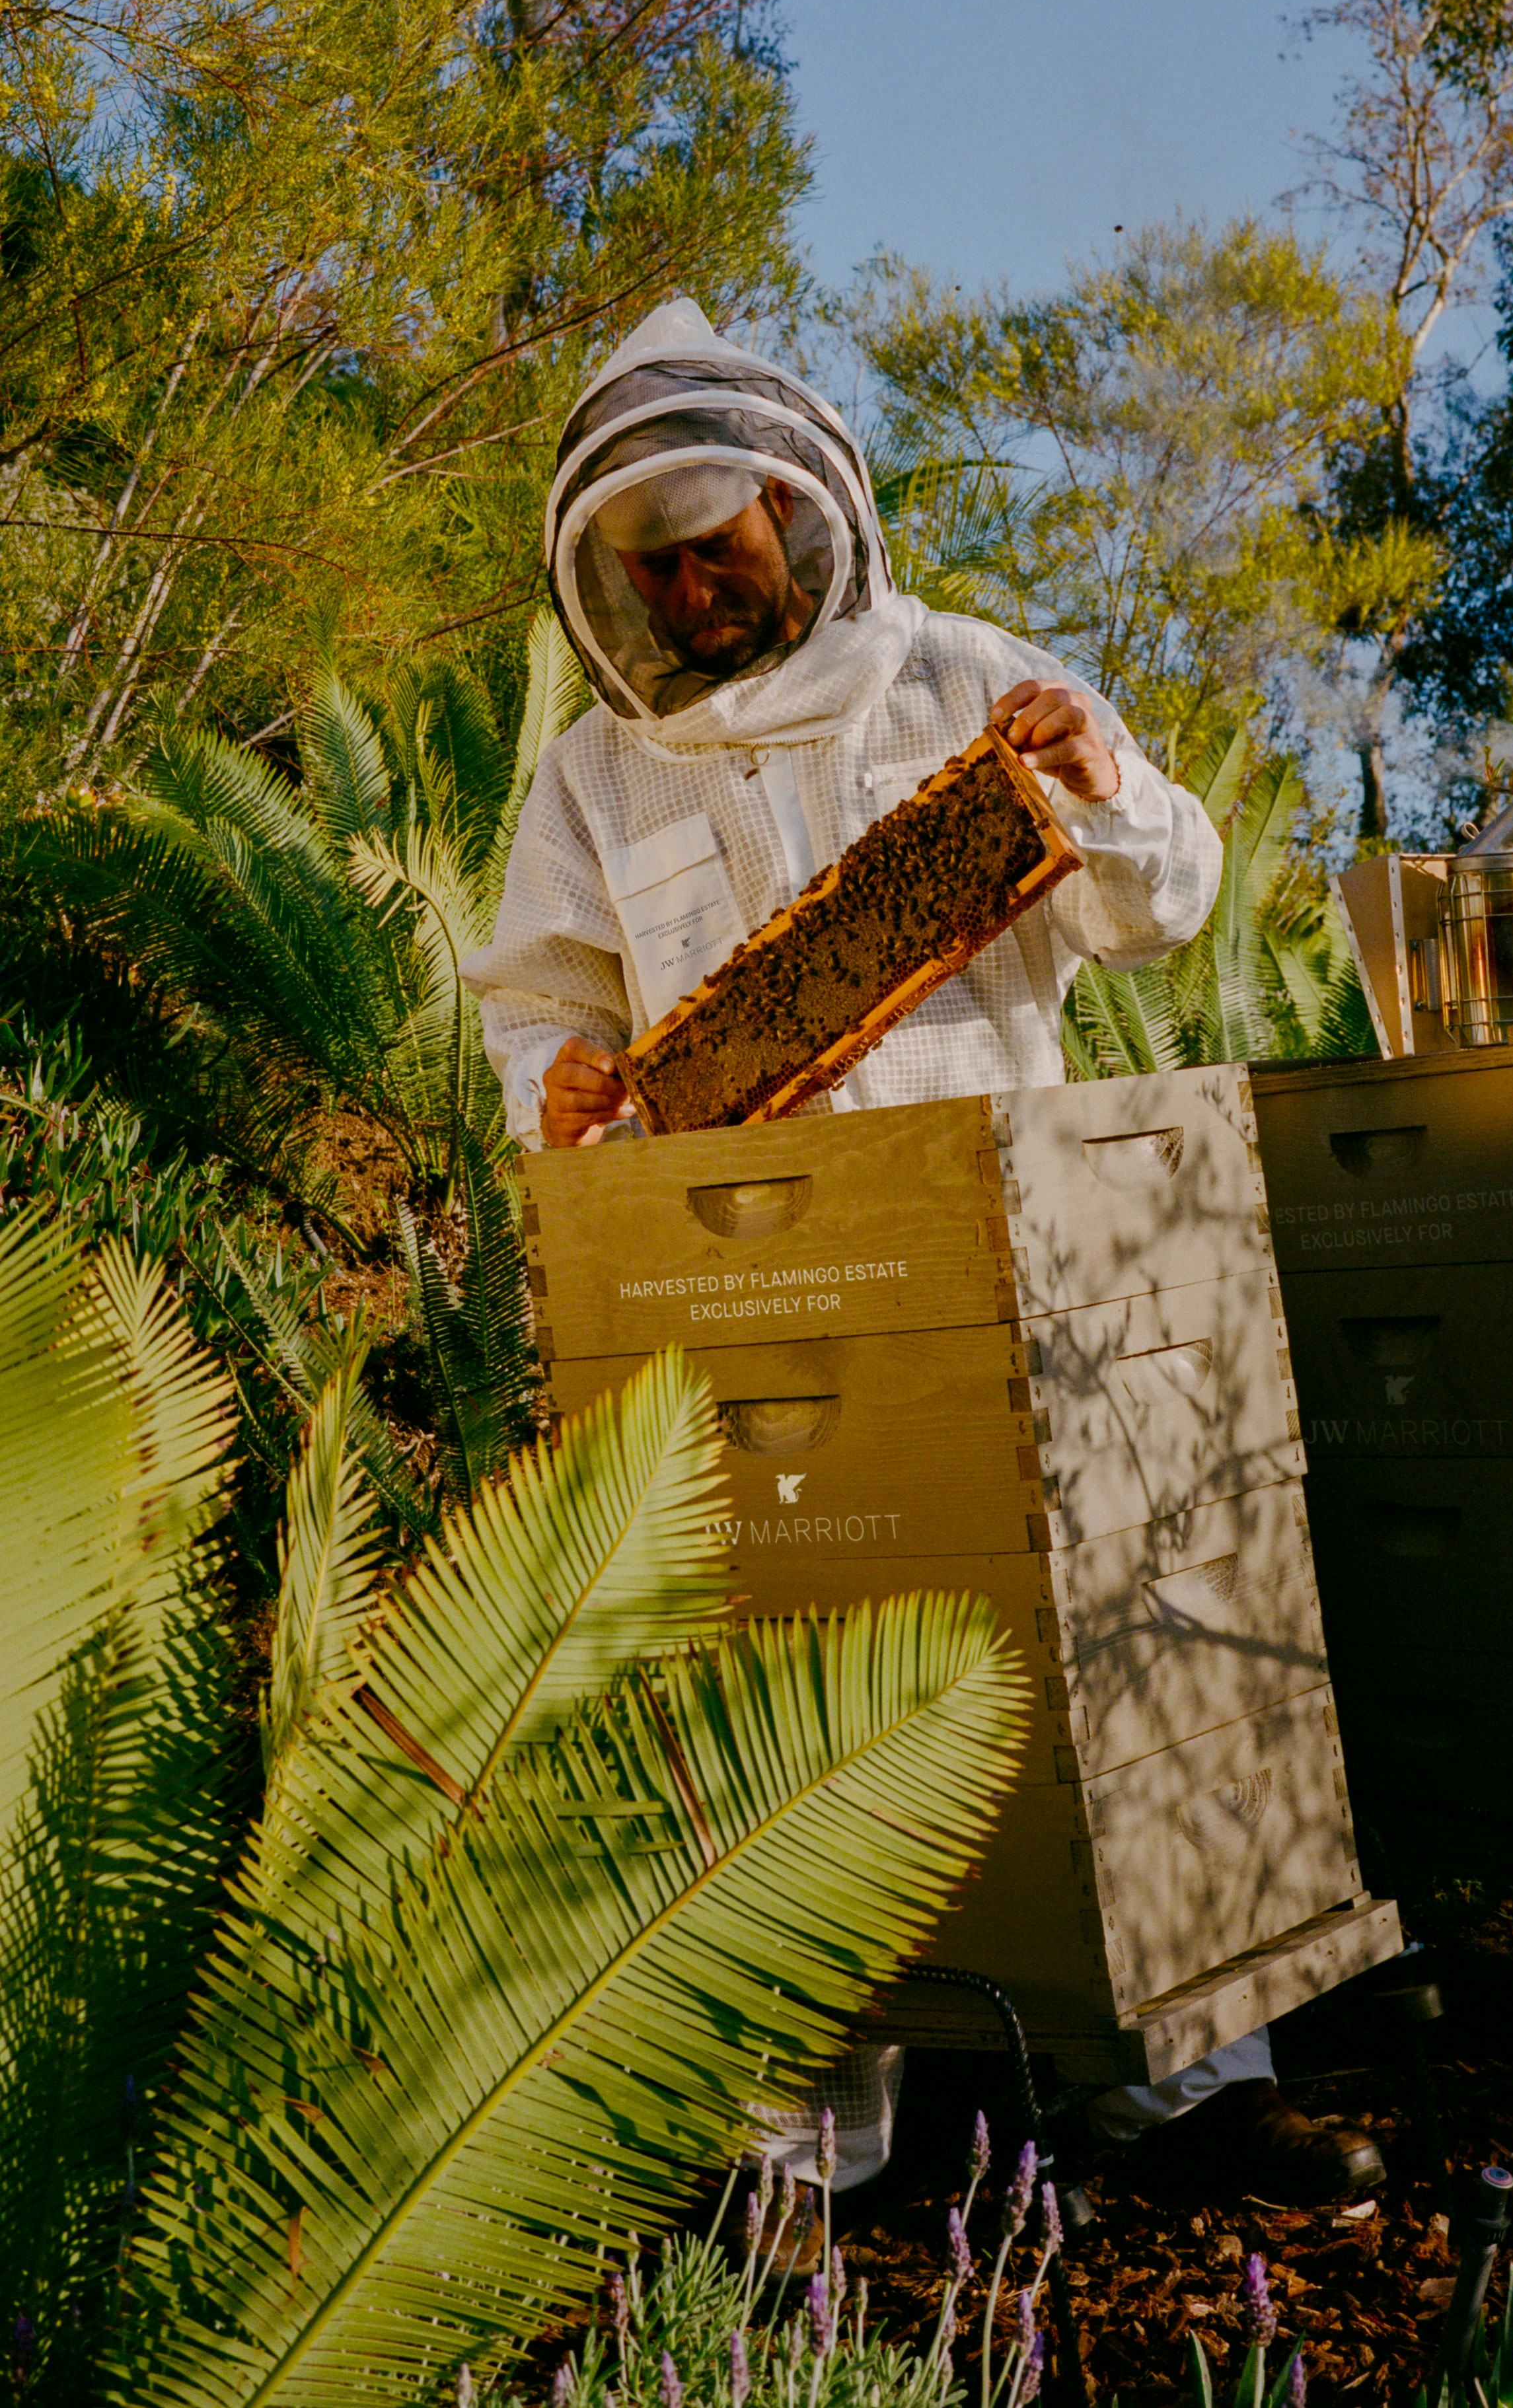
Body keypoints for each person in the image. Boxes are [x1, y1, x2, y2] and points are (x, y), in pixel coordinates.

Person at [466, 296, 1385, 2206]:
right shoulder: (591, 778)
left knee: (1086, 1637)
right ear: (608, 580)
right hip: (745, 1295)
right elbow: (538, 1004)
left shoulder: (964, 670)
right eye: (665, 568)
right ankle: (804, 2145)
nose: (704, 590)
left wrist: (1097, 778)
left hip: (994, 1247)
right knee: (777, 1674)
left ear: (802, 515)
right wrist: (558, 1079)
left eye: (724, 547)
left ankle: (1180, 2084)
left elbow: (1175, 898)